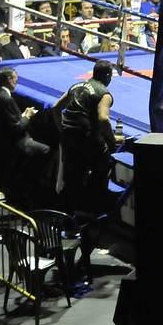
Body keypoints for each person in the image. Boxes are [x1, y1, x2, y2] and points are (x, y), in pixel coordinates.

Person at [53, 58, 120, 212]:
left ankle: (70, 214)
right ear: (108, 75)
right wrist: (112, 138)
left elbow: (56, 108)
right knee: (102, 169)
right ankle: (95, 209)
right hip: (86, 137)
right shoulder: (104, 93)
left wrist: (61, 129)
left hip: (69, 136)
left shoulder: (76, 86)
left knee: (73, 175)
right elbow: (103, 118)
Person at [0, 66, 50, 197]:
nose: (17, 82)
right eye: (16, 79)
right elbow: (16, 128)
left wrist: (23, 116)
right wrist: (27, 116)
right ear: (9, 79)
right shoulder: (6, 99)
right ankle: (27, 184)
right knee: (45, 150)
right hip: (12, 142)